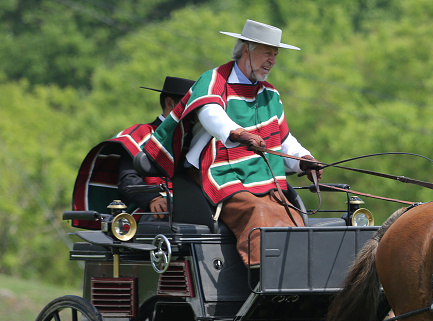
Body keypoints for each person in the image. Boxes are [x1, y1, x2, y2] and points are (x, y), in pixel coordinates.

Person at [143, 19, 323, 266]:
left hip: (261, 176)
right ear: (246, 49)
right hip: (217, 171)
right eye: (267, 52)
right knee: (256, 211)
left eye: (275, 54)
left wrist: (304, 160)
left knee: (291, 215)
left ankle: (296, 277)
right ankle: (262, 278)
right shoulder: (214, 79)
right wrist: (238, 134)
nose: (272, 60)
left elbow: (281, 139)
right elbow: (210, 114)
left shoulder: (270, 93)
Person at [72, 76, 195, 226]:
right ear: (170, 103)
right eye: (189, 105)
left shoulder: (195, 137)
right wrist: (152, 198)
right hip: (149, 210)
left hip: (192, 205)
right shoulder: (139, 136)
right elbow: (128, 179)